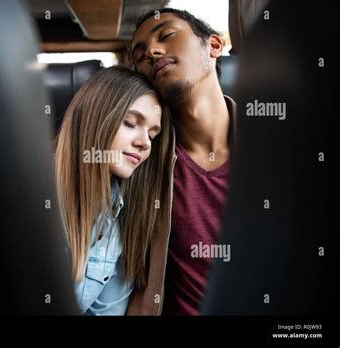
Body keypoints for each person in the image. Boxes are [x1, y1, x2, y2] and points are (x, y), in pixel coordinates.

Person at [127, 8, 237, 315]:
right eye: (139, 55)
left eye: (166, 35)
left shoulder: (280, 149)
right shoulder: (137, 161)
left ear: (214, 46)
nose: (151, 51)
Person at [55, 65, 171, 315]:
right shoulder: (32, 192)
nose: (144, 143)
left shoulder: (124, 215)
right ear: (94, 117)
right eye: (130, 123)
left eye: (153, 134)